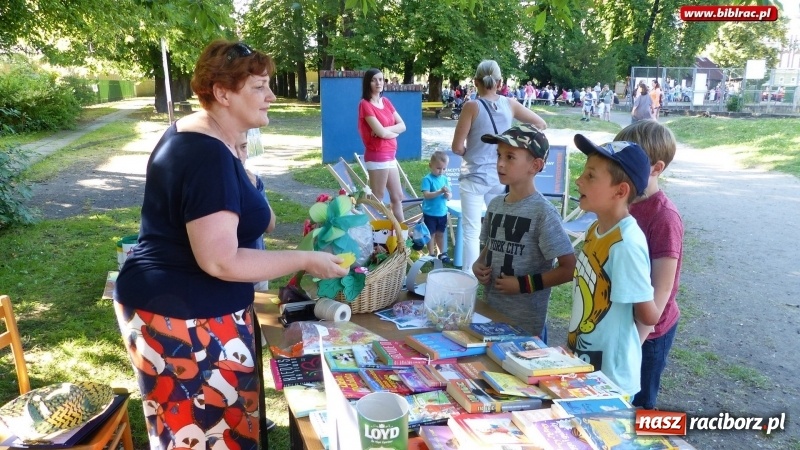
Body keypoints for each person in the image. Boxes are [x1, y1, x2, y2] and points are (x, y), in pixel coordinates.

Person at [112, 40, 348, 449]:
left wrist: (244, 167)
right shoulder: (207, 156)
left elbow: (264, 220)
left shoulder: (211, 141)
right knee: (205, 436)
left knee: (224, 430)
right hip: (183, 317)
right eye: (258, 87)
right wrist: (307, 259)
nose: (271, 96)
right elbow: (220, 262)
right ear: (222, 93)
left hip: (191, 307)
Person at [567, 134, 660, 397]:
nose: (578, 180)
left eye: (590, 176)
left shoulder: (626, 244)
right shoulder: (595, 229)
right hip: (583, 362)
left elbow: (649, 316)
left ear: (620, 191)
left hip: (610, 378)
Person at [471, 124, 576, 339]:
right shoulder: (495, 205)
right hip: (491, 316)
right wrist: (478, 264)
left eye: (510, 157)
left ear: (535, 165)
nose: (500, 163)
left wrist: (523, 284)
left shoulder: (543, 213)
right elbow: (491, 244)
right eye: (499, 155)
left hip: (526, 328)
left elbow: (569, 268)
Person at [451, 59, 547, 275]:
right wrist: (517, 144)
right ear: (500, 82)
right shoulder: (509, 104)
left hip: (473, 175)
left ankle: (469, 277)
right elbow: (541, 124)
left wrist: (472, 152)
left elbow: (457, 147)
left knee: (471, 230)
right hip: (499, 174)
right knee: (499, 227)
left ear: (475, 82)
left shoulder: (471, 106)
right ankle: (500, 269)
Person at [615, 121, 684, 410]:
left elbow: (661, 290)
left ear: (656, 168)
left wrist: (633, 343)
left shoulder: (664, 218)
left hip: (649, 334)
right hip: (619, 324)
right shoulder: (622, 201)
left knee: (639, 406)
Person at [357, 68, 407, 222]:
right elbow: (382, 133)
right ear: (368, 83)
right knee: (377, 198)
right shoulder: (365, 104)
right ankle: (367, 228)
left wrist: (386, 131)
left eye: (380, 79)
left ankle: (402, 231)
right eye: (374, 80)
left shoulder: (386, 102)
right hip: (377, 154)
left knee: (397, 196)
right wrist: (389, 132)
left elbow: (402, 125)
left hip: (390, 154)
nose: (378, 83)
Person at [235, 130, 275, 292]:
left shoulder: (255, 181)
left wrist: (254, 192)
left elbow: (270, 225)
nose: (239, 156)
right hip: (232, 272)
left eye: (243, 147)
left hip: (258, 268)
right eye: (232, 148)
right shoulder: (219, 184)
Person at [420, 151, 453, 263]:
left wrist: (448, 195)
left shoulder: (444, 179)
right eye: (438, 168)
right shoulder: (427, 179)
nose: (441, 171)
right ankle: (431, 254)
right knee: (431, 234)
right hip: (430, 213)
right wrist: (440, 191)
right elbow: (427, 195)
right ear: (430, 165)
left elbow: (450, 195)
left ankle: (441, 253)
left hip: (442, 212)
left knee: (440, 234)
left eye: (444, 169)